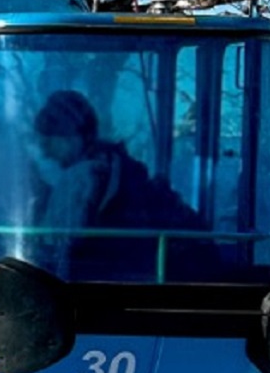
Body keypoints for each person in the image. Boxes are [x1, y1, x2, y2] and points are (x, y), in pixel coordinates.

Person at [32, 89, 200, 278]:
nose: (45, 154)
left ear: (72, 137)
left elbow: (66, 246)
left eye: (49, 143)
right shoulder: (118, 165)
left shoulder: (81, 176)